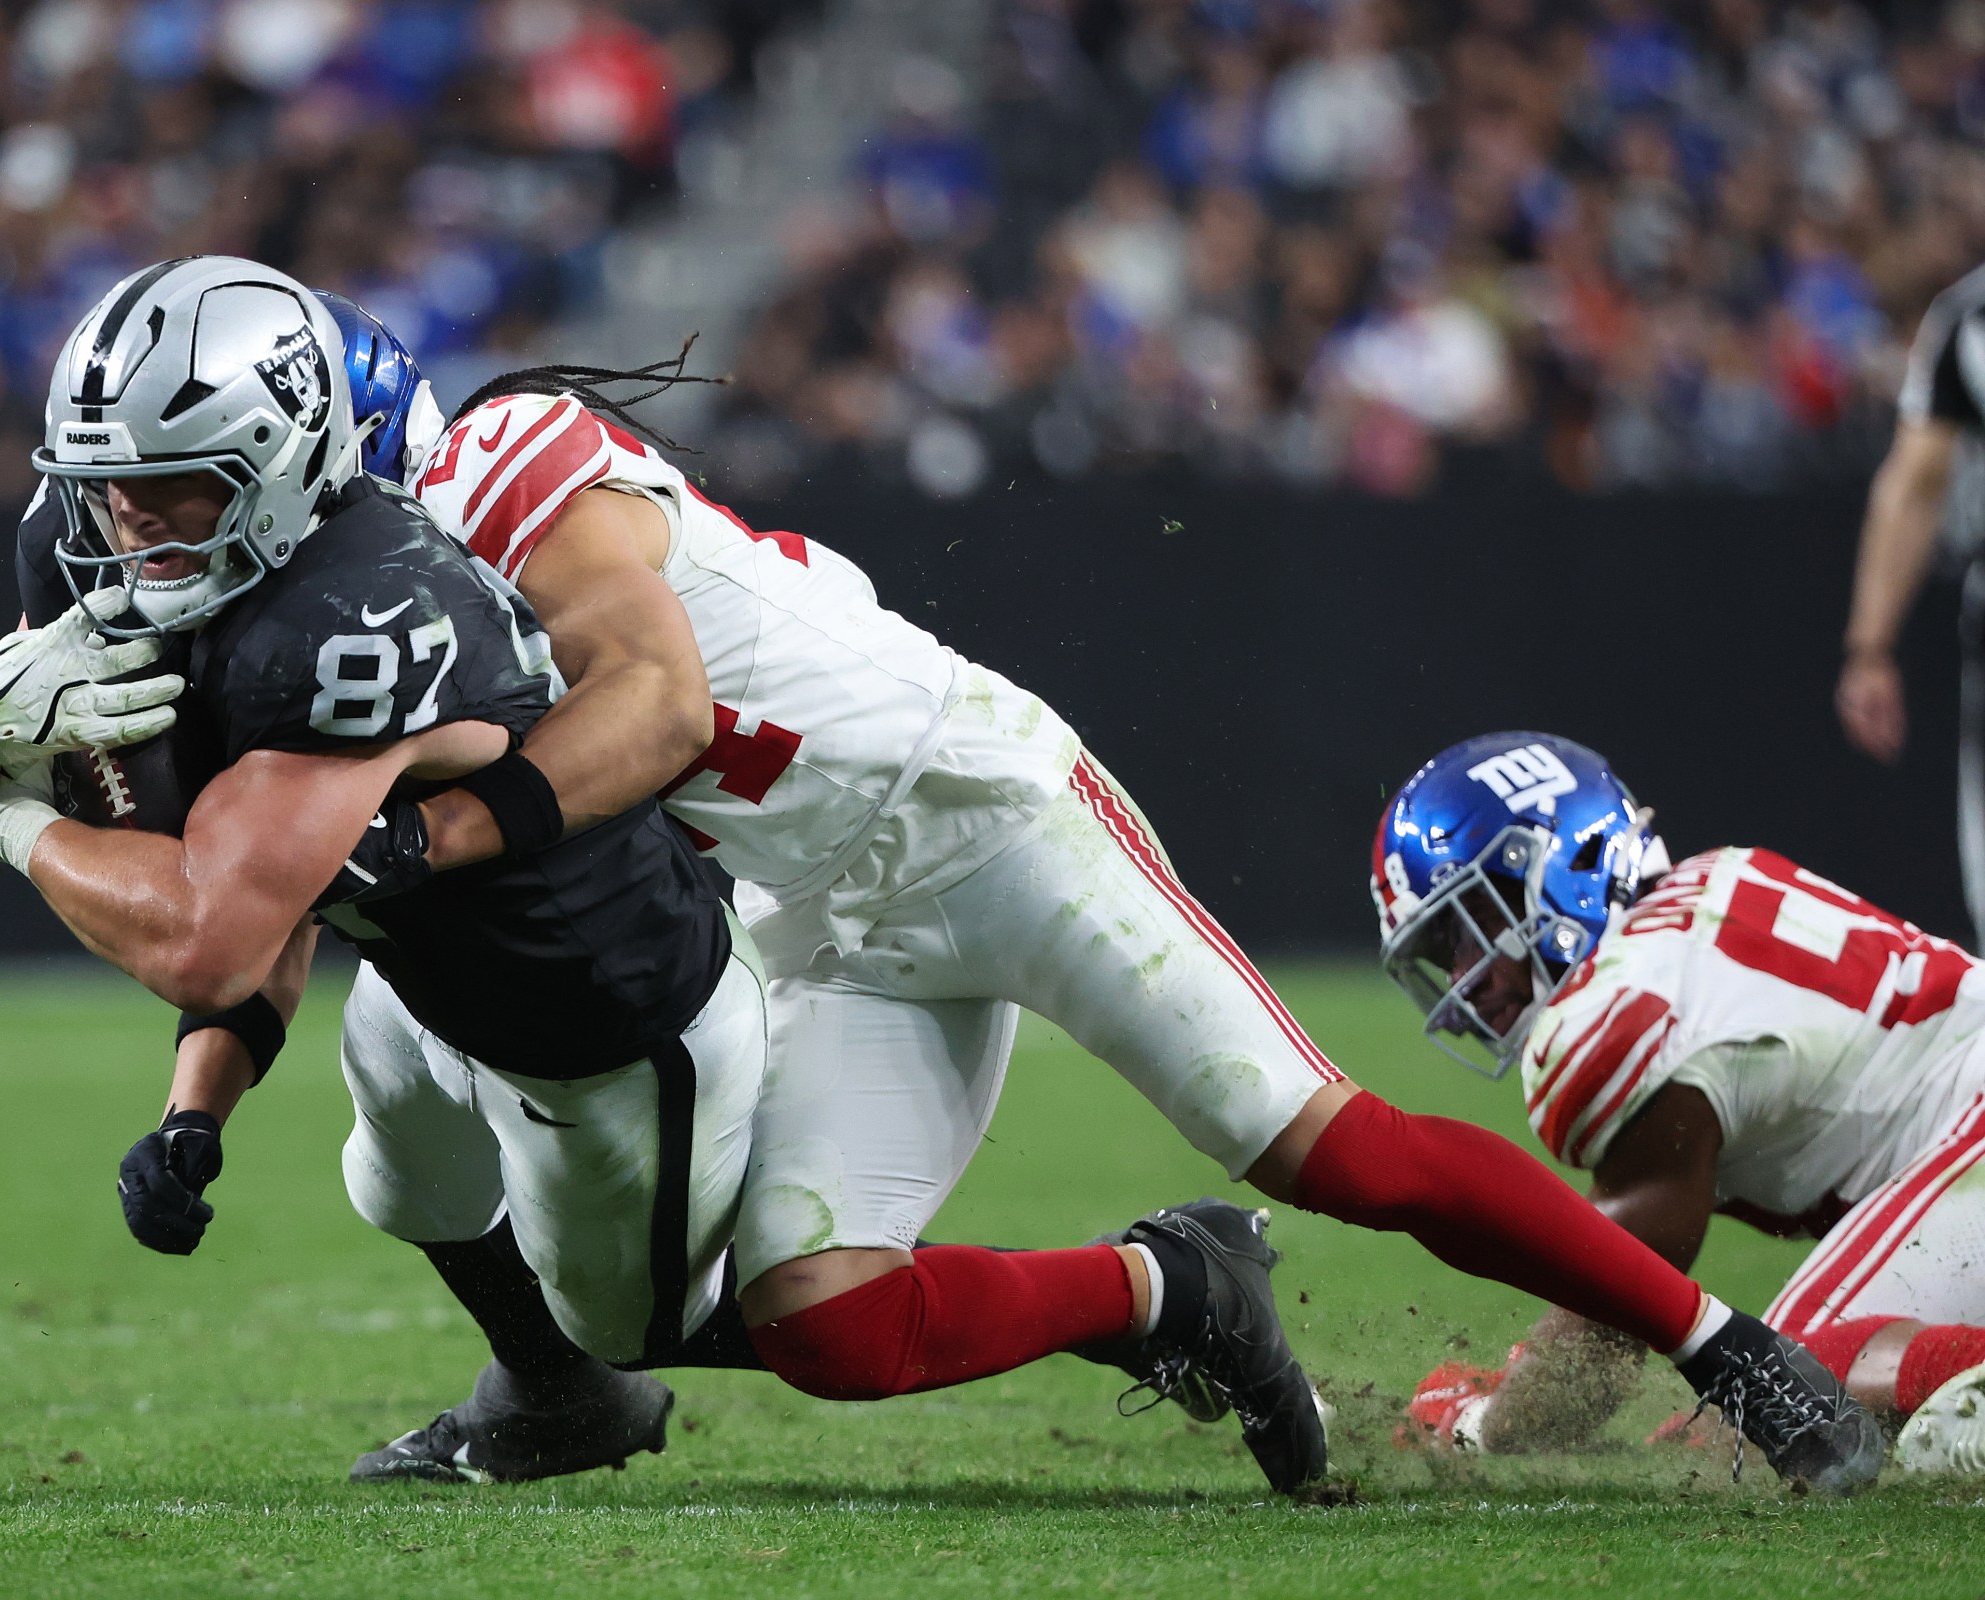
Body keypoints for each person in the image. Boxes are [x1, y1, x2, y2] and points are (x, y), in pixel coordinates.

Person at [292, 296, 1881, 1492]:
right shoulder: (391, 619)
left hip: (984, 811)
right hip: (825, 918)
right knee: (820, 1323)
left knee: (1325, 1145)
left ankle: (1730, 1350)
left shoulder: (497, 467)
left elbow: (665, 703)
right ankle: (1175, 1287)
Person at [0, 256, 1323, 1493]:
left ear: (281, 465)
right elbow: (85, 856)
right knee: (396, 1165)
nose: (128, 528)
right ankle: (553, 1395)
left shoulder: (356, 620)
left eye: (171, 488)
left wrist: (2, 799)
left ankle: (1165, 1287)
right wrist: (185, 1097)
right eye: (106, 489)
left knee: (737, 1322)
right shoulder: (115, 552)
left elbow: (213, 926)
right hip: (432, 961)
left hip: (606, 1009)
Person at [1375, 732, 1985, 1475]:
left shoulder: (1614, 1010)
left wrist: (1481, 1420)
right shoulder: (1706, 887)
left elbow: (1616, 1312)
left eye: (1471, 924)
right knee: (1721, 1426)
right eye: (1445, 952)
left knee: (1787, 1396)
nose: (1464, 979)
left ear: (1563, 867)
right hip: (1961, 1130)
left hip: (1972, 1128)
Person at [1836, 265, 1985, 937]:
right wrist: (1870, 647)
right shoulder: (1968, 318)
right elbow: (1917, 484)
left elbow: (1916, 483)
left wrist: (1871, 649)